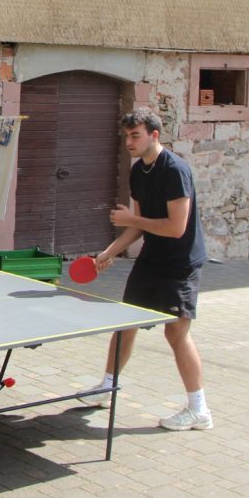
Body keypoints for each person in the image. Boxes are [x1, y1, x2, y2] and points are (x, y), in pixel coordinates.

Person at [87, 107, 211, 431]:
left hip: (180, 263)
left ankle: (199, 409)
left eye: (135, 136)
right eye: (126, 136)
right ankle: (107, 384)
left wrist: (131, 219)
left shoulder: (175, 171)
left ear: (154, 135)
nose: (129, 142)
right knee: (125, 322)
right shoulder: (138, 171)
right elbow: (139, 228)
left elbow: (176, 227)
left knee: (176, 333)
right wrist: (108, 252)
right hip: (152, 258)